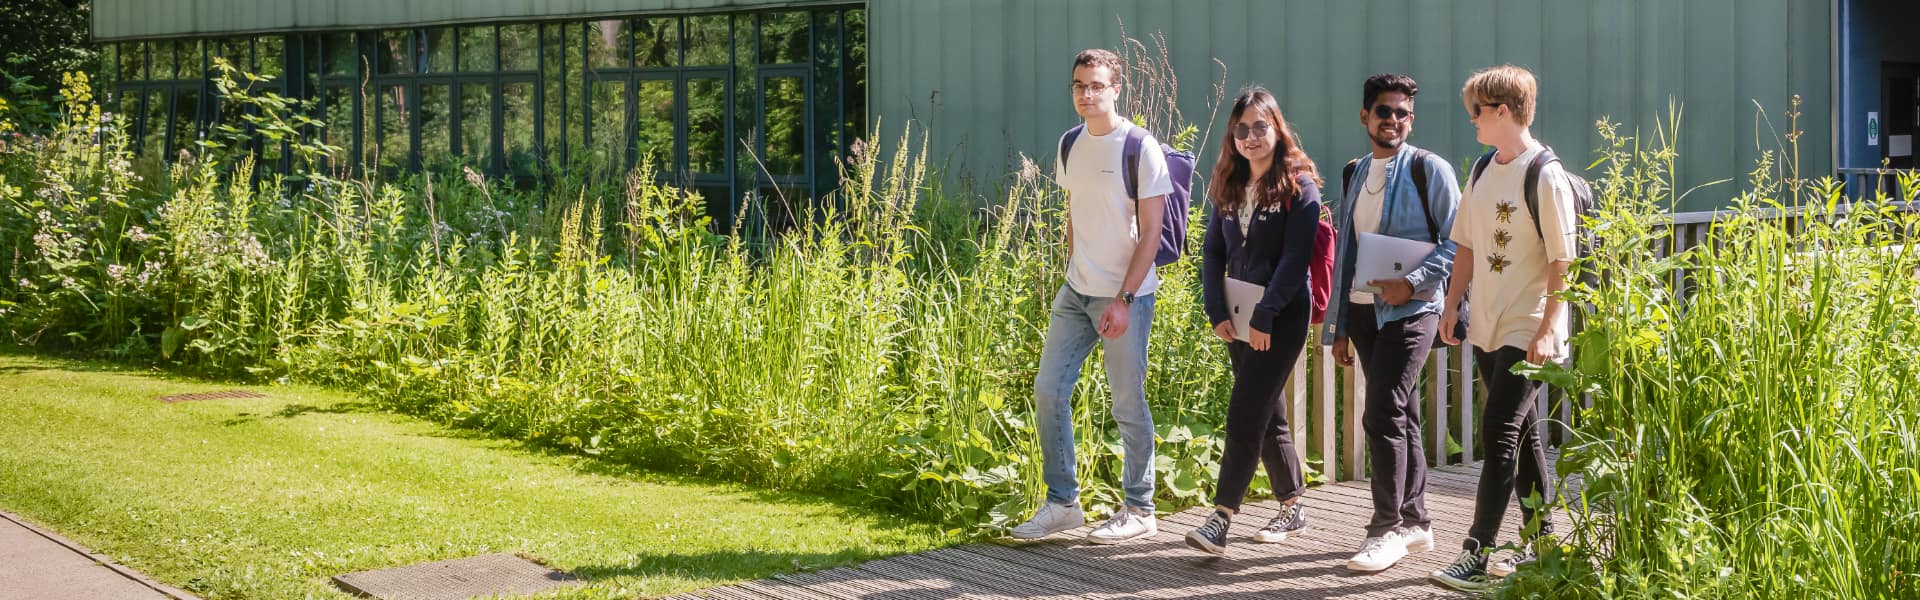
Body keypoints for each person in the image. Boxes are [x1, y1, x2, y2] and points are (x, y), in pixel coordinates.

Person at [1007, 48, 1172, 545]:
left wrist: (1122, 298)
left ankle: (1141, 508)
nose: (1086, 93)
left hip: (1126, 298)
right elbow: (1075, 213)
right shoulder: (1069, 143)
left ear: (1116, 89)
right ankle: (1063, 504)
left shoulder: (1140, 147)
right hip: (1076, 291)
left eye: (1097, 85)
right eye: (1079, 85)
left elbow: (1151, 233)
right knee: (1049, 391)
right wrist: (1074, 267)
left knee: (1127, 400)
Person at [1429, 64, 1575, 592]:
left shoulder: (1545, 173)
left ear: (1504, 113)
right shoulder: (1484, 169)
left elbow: (1564, 260)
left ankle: (1477, 548)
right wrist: (1452, 304)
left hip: (1528, 323)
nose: (1472, 121)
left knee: (1499, 432)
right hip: (1488, 325)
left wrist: (1547, 328)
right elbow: (1465, 242)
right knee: (1527, 434)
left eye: (1478, 112)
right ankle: (1544, 543)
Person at [1323, 73, 1461, 573]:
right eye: (1385, 111)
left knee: (1381, 412)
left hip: (1413, 309)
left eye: (1403, 113)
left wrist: (1414, 282)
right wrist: (1339, 324)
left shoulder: (1430, 169)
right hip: (1362, 311)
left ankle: (1385, 529)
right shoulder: (1354, 172)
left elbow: (1458, 240)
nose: (1394, 121)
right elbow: (1347, 252)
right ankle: (1417, 520)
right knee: (1401, 414)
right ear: (1366, 116)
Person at [1183, 86, 1320, 556]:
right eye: (1241, 129)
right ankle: (1293, 504)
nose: (1250, 137)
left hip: (1279, 318)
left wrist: (1264, 316)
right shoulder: (1229, 185)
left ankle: (1221, 517)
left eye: (1259, 127)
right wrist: (1217, 311)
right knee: (1267, 412)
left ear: (1276, 128)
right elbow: (1212, 251)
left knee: (1245, 412)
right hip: (1237, 315)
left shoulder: (1300, 188)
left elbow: (1294, 259)